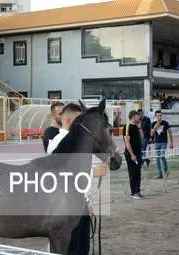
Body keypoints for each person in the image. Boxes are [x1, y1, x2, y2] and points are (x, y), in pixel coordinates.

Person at [46, 103, 107, 255]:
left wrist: (87, 202)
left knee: (83, 248)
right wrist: (93, 172)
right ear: (69, 121)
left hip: (80, 204)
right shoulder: (58, 142)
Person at [124, 110, 143, 199]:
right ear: (133, 116)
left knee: (138, 172)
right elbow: (127, 142)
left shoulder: (136, 126)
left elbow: (142, 138)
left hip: (138, 153)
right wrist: (132, 154)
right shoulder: (127, 126)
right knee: (133, 172)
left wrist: (139, 128)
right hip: (131, 154)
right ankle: (134, 192)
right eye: (137, 116)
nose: (139, 117)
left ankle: (138, 191)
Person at [151, 110, 173, 179]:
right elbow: (151, 134)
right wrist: (155, 127)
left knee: (162, 156)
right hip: (157, 142)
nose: (159, 117)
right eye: (158, 116)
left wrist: (171, 143)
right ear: (155, 116)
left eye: (160, 116)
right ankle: (159, 174)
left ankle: (166, 171)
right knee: (157, 158)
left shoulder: (165, 123)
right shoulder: (153, 123)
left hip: (164, 142)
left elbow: (170, 133)